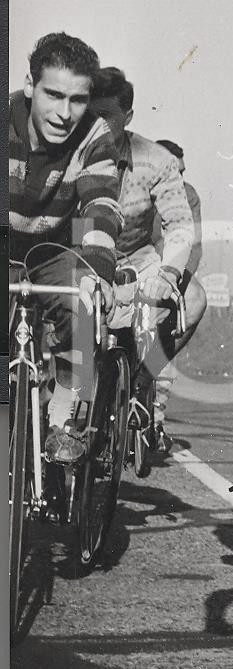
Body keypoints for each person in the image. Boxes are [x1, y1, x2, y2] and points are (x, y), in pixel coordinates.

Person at [8, 32, 122, 464]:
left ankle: (64, 420)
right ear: (29, 85)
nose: (63, 113)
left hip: (53, 250)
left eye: (77, 99)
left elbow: (101, 205)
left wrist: (96, 272)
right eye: (53, 94)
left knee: (85, 305)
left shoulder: (95, 133)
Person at [89, 69, 197, 442]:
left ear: (128, 118)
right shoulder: (70, 153)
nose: (96, 126)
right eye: (90, 115)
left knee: (193, 297)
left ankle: (143, 383)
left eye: (107, 117)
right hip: (82, 251)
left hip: (136, 258)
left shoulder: (157, 159)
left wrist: (167, 272)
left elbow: (180, 225)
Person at [152, 139, 208, 452]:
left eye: (182, 173)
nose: (180, 179)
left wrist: (171, 278)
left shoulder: (189, 196)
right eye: (174, 172)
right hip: (130, 268)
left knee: (197, 297)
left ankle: (150, 372)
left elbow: (193, 247)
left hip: (170, 274)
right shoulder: (138, 184)